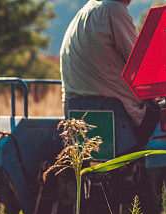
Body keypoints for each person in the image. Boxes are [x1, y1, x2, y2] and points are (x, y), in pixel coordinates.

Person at [59, 0, 158, 145]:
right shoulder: (113, 10)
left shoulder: (82, 14)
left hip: (77, 115)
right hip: (122, 117)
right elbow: (142, 67)